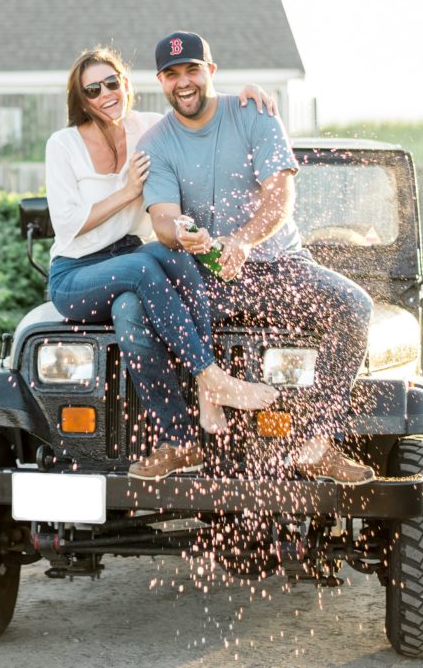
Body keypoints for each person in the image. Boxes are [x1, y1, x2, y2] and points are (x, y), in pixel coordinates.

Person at [138, 31, 375, 485]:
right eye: (172, 75)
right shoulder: (156, 143)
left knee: (354, 307)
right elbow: (163, 220)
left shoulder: (254, 113)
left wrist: (243, 241)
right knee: (137, 310)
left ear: (212, 71)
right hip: (205, 275)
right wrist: (182, 234)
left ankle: (316, 443)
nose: (183, 82)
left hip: (279, 264)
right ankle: (175, 440)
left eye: (192, 70)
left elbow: (280, 195)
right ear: (160, 82)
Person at [45, 45, 278, 480]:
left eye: (111, 83)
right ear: (82, 98)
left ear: (126, 85)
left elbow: (198, 108)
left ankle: (182, 439)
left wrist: (246, 96)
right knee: (146, 266)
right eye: (92, 89)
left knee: (154, 284)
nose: (105, 94)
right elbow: (68, 224)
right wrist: (130, 192)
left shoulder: (147, 127)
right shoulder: (64, 145)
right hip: (76, 273)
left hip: (128, 256)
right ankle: (210, 375)